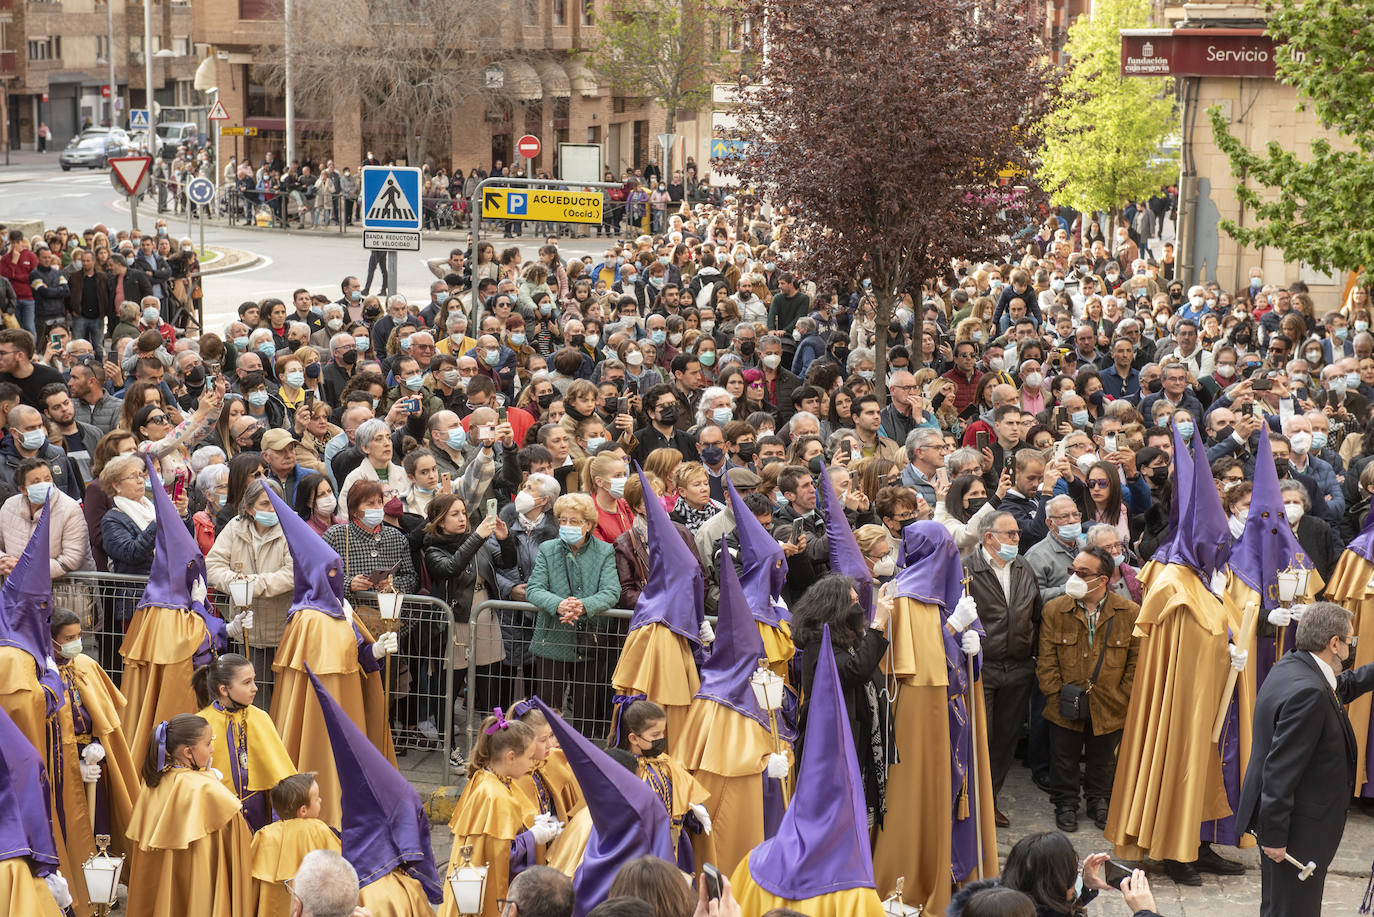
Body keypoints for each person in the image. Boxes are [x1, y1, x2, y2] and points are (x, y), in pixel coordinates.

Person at [872, 522, 995, 914]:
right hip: (919, 716)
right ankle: (915, 874)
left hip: (952, 709)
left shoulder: (952, 592)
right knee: (922, 789)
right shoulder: (903, 596)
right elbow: (919, 666)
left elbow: (961, 659)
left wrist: (973, 647)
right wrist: (952, 630)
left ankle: (955, 870)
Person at [264, 485, 396, 829]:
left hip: (347, 704)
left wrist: (376, 650)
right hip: (319, 712)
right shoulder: (308, 619)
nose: (338, 579)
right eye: (332, 573)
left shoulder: (343, 608)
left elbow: (356, 654)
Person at [1236, 602, 1374, 917]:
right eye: (1349, 642)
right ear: (1334, 643)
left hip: (1292, 824)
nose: (1350, 648)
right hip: (1298, 831)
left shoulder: (1294, 666)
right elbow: (1280, 771)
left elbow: (1340, 688)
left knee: (1278, 908)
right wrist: (1274, 837)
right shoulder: (1309, 693)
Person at [1036, 546, 1139, 832]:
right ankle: (1065, 803)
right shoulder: (1055, 609)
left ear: (1103, 579)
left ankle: (1099, 801)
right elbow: (1045, 659)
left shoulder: (1128, 612)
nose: (1074, 577)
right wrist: (1055, 694)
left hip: (1110, 703)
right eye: (1072, 571)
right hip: (1065, 701)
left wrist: (1122, 696)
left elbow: (1136, 661)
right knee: (1063, 757)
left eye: (1082, 573)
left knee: (1104, 759)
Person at [124, 713, 254, 916]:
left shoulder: (153, 783)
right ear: (188, 752)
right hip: (198, 884)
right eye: (208, 743)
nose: (212, 749)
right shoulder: (205, 789)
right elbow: (238, 838)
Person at [48, 608, 139, 894]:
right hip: (61, 768)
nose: (75, 642)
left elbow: (104, 714)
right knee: (72, 829)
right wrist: (75, 764)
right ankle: (75, 892)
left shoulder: (85, 663)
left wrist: (98, 745)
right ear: (51, 640)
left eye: (78, 636)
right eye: (68, 637)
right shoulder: (41, 672)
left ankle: (101, 892)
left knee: (100, 824)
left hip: (94, 759)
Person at [789, 574, 891, 826]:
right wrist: (878, 626)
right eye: (852, 601)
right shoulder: (818, 642)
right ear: (834, 608)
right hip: (830, 744)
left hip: (854, 734)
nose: (858, 607)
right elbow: (854, 670)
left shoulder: (847, 635)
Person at [963, 510, 1042, 826]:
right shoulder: (967, 568)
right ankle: (970, 803)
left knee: (1006, 740)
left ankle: (990, 800)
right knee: (980, 737)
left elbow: (1035, 614)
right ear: (989, 538)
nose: (1017, 539)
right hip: (984, 667)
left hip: (1019, 668)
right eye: (1010, 534)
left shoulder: (1023, 567)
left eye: (1017, 534)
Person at [439, 714, 553, 917]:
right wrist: (532, 837)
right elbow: (502, 854)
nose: (531, 764)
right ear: (510, 757)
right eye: (528, 757)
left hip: (469, 890)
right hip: (484, 898)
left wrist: (529, 827)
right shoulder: (497, 797)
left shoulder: (485, 778)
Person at [526, 493, 621, 735]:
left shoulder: (605, 551)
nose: (567, 526)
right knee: (548, 707)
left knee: (585, 706)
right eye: (563, 520)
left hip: (588, 641)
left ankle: (583, 758)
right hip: (552, 638)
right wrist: (559, 605)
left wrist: (583, 606)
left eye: (575, 521)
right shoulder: (548, 549)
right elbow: (534, 589)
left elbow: (611, 591)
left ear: (589, 524)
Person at [205, 478, 295, 696]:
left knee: (282, 700)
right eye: (264, 504)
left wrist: (252, 585)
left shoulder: (290, 528)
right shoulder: (235, 527)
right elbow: (213, 566)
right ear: (249, 508)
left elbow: (293, 573)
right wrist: (237, 584)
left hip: (282, 631)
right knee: (251, 696)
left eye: (275, 502)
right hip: (245, 631)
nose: (271, 508)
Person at [192, 653, 296, 832]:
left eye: (254, 681)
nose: (255, 688)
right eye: (247, 683)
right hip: (221, 816)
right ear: (224, 689)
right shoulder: (202, 723)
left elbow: (279, 774)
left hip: (259, 814)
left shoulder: (261, 718)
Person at [611, 700, 711, 871]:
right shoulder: (626, 769)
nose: (661, 739)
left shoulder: (665, 761)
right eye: (655, 735)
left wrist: (694, 809)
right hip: (645, 846)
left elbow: (684, 789)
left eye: (662, 734)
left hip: (675, 843)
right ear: (634, 738)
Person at [250, 774, 341, 917]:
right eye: (316, 799)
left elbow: (252, 883)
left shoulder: (264, 835)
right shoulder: (317, 830)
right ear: (303, 810)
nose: (320, 800)